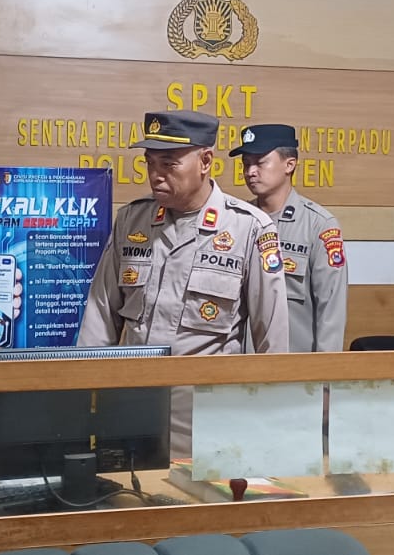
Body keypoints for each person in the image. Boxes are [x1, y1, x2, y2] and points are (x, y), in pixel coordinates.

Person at [78, 111, 290, 455]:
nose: (155, 175)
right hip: (130, 411)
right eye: (150, 163)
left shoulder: (249, 228)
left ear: (205, 161)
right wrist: (84, 398)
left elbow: (273, 340)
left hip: (205, 421)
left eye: (168, 164)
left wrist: (269, 422)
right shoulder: (132, 220)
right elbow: (100, 317)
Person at [229, 123, 348, 352]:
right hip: (240, 366)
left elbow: (331, 311)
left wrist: (325, 371)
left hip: (293, 367)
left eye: (260, 162)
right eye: (246, 163)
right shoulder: (238, 221)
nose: (250, 171)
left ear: (289, 164)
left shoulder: (319, 225)